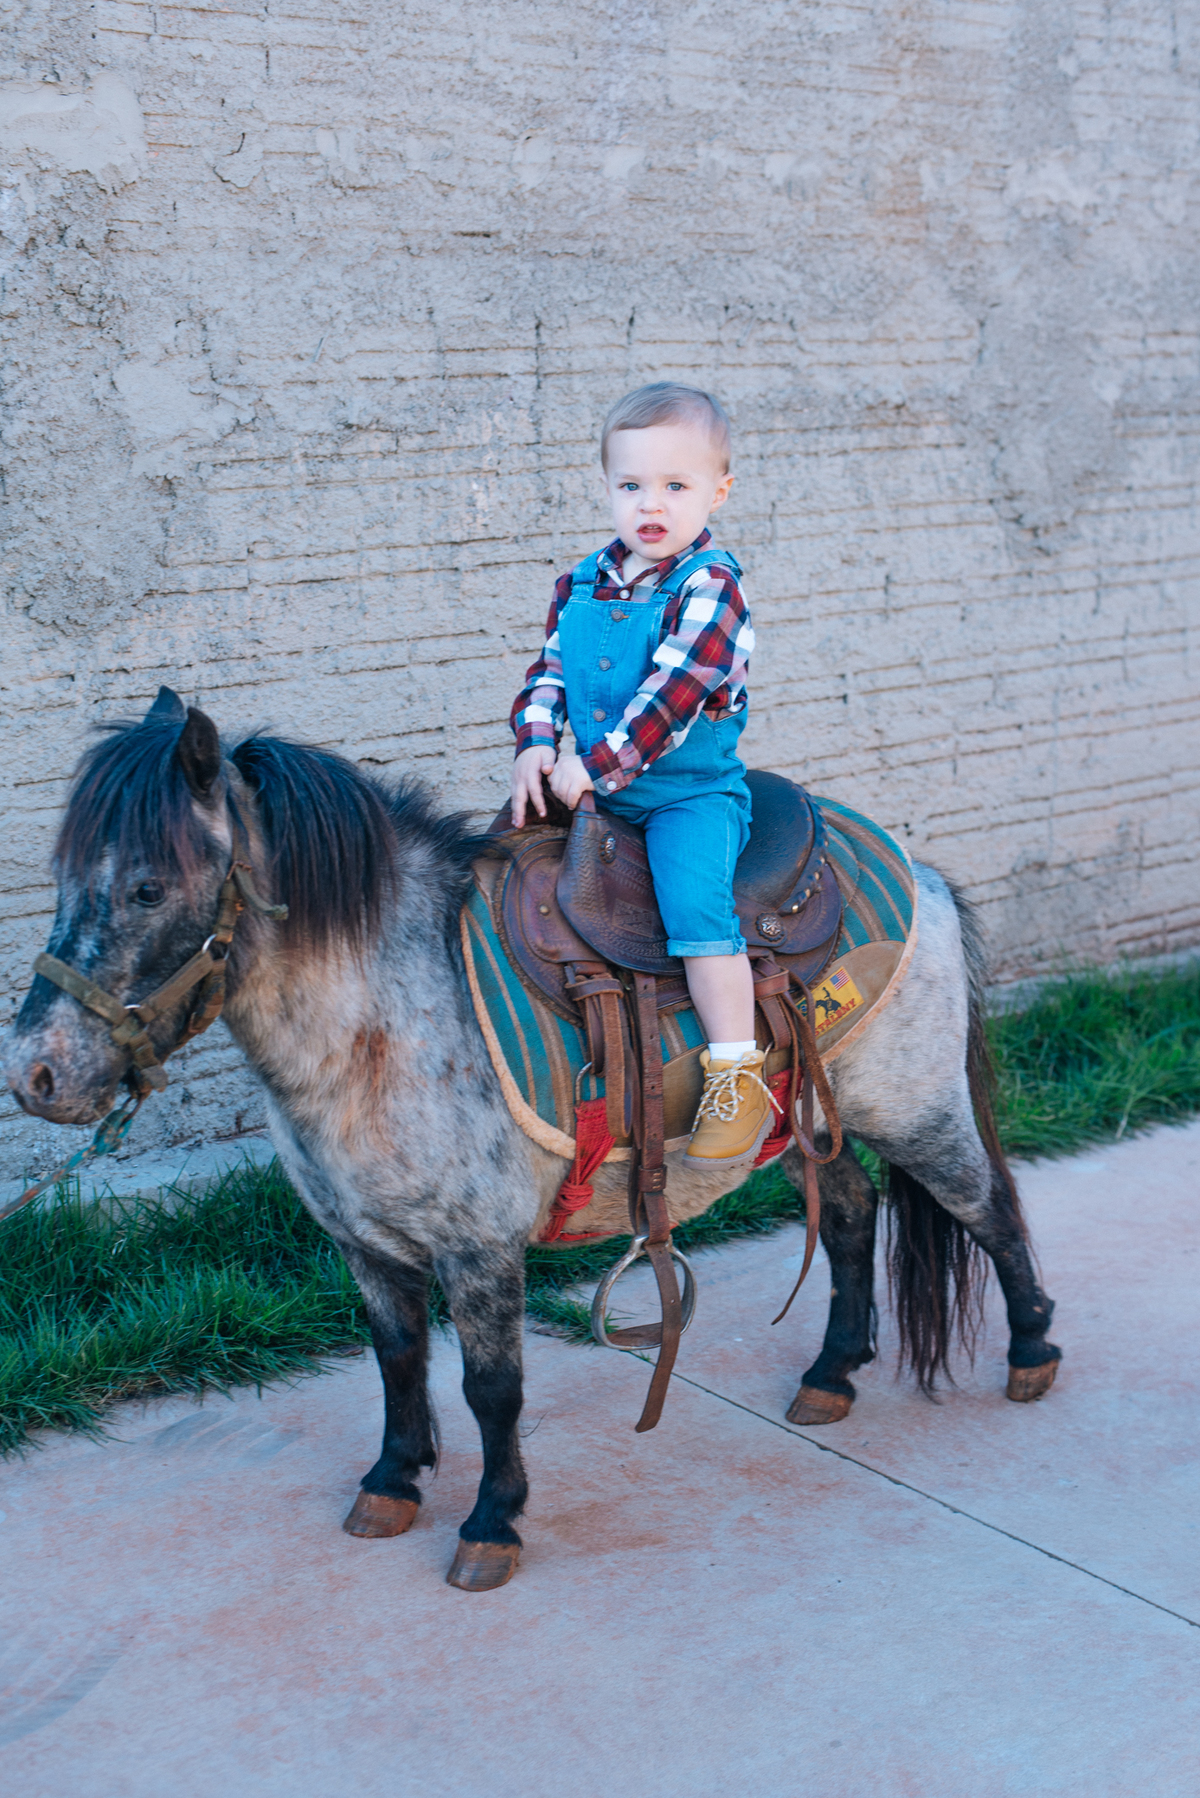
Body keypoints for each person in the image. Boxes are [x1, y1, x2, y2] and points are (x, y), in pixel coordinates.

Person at [509, 381, 778, 1169]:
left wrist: (591, 766)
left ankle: (736, 1071)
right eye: (631, 485)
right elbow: (549, 672)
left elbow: (674, 696)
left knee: (696, 910)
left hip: (683, 795)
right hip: (590, 784)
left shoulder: (711, 586)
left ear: (718, 491)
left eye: (675, 485)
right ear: (606, 487)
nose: (650, 504)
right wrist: (535, 742)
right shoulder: (581, 581)